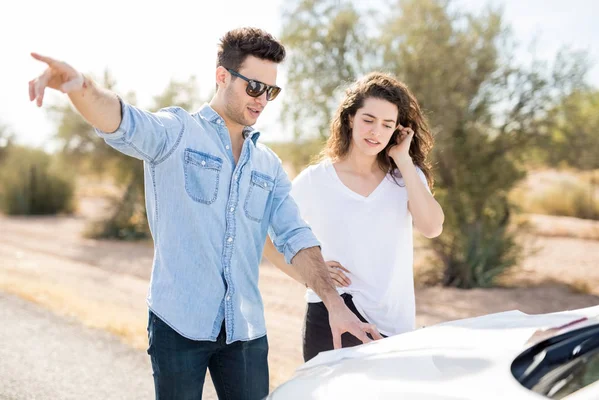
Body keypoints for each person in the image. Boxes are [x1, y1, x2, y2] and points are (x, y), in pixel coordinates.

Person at [28, 27, 382, 400]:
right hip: (178, 324)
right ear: (222, 76)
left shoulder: (269, 165)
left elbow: (295, 236)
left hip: (245, 331)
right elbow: (120, 120)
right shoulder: (176, 133)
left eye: (271, 91)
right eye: (254, 87)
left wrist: (334, 304)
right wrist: (80, 86)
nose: (262, 100)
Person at [263, 72, 444, 362]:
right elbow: (265, 236)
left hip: (394, 323)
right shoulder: (315, 180)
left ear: (399, 130)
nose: (376, 132)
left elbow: (432, 227)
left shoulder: (406, 177)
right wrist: (309, 276)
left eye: (387, 125)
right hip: (333, 317)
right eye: (368, 120)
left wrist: (405, 161)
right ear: (350, 118)